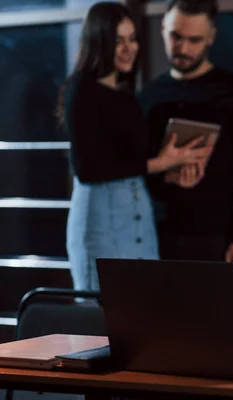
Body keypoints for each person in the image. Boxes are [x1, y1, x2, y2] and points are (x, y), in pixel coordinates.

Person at [57, 2, 211, 291]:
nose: (129, 48)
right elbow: (87, 168)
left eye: (132, 39)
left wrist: (170, 170)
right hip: (101, 220)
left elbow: (131, 161)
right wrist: (161, 163)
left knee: (144, 312)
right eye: (118, 41)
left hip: (138, 215)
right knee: (101, 317)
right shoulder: (81, 90)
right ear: (99, 42)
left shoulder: (126, 94)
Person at [139, 0, 233, 279]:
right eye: (176, 36)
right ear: (162, 28)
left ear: (211, 37)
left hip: (216, 234)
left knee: (213, 321)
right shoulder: (148, 96)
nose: (183, 48)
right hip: (154, 233)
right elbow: (135, 167)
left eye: (194, 40)